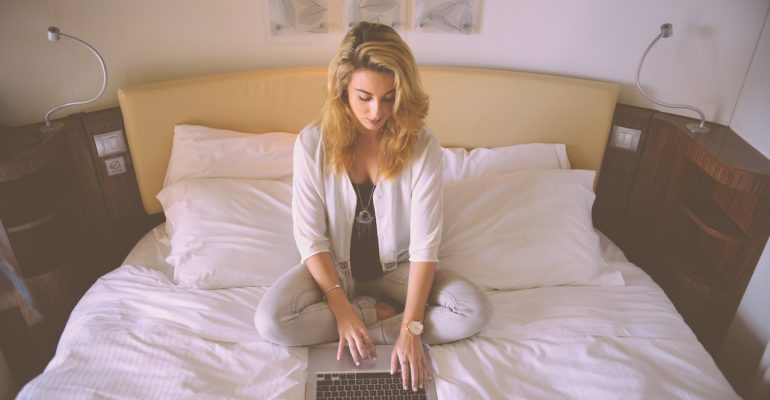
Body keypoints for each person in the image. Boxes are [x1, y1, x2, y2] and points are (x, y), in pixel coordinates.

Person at [255, 21, 491, 393]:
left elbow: (426, 247)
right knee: (272, 322)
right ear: (342, 89)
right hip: (335, 273)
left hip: (400, 268)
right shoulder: (312, 143)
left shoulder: (422, 146)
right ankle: (374, 315)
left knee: (473, 310)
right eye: (364, 96)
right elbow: (310, 238)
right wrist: (342, 309)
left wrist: (411, 329)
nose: (376, 111)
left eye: (389, 96)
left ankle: (385, 325)